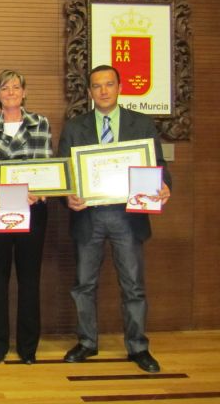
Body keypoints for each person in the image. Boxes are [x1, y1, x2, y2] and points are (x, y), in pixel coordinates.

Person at [58, 64, 171, 373]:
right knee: (84, 284)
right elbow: (65, 172)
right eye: (97, 86)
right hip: (88, 216)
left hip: (128, 216)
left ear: (120, 88)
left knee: (133, 285)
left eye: (109, 84)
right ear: (89, 92)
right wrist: (68, 195)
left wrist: (164, 185)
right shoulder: (74, 127)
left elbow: (159, 165)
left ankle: (138, 346)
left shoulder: (141, 124)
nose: (103, 90)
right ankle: (87, 342)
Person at [0, 70, 52, 365]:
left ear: (24, 92)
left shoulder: (40, 123)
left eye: (16, 87)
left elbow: (46, 162)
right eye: (4, 88)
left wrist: (38, 191)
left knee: (30, 279)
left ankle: (28, 347)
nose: (10, 92)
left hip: (31, 209)